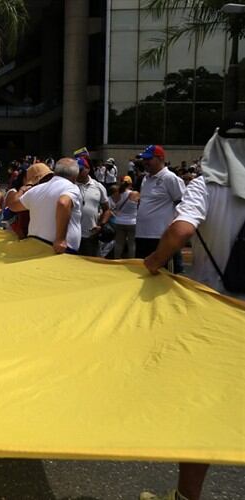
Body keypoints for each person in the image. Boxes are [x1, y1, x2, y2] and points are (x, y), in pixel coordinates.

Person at [140, 114, 245, 500]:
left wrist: (154, 261)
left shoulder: (206, 186)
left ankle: (187, 496)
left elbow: (181, 230)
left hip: (212, 313)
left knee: (202, 408)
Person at [7, 158, 82, 254]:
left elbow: (13, 205)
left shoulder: (35, 190)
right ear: (75, 176)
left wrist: (23, 189)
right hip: (59, 250)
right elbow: (63, 203)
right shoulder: (71, 187)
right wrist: (60, 239)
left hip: (34, 245)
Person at [134, 145, 185, 266]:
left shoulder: (170, 178)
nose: (145, 162)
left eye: (148, 159)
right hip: (142, 234)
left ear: (160, 158)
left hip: (160, 236)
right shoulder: (145, 179)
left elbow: (182, 203)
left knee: (162, 275)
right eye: (144, 159)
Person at [76, 157, 112, 257]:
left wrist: (101, 225)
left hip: (90, 236)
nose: (77, 172)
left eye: (79, 170)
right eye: (75, 170)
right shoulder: (69, 185)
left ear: (88, 169)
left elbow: (107, 210)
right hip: (72, 235)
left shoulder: (98, 186)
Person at [111, 176, 139, 259]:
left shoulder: (117, 194)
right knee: (132, 244)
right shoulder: (135, 193)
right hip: (132, 222)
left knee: (119, 243)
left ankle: (116, 259)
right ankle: (131, 261)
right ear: (130, 184)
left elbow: (114, 205)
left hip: (119, 221)